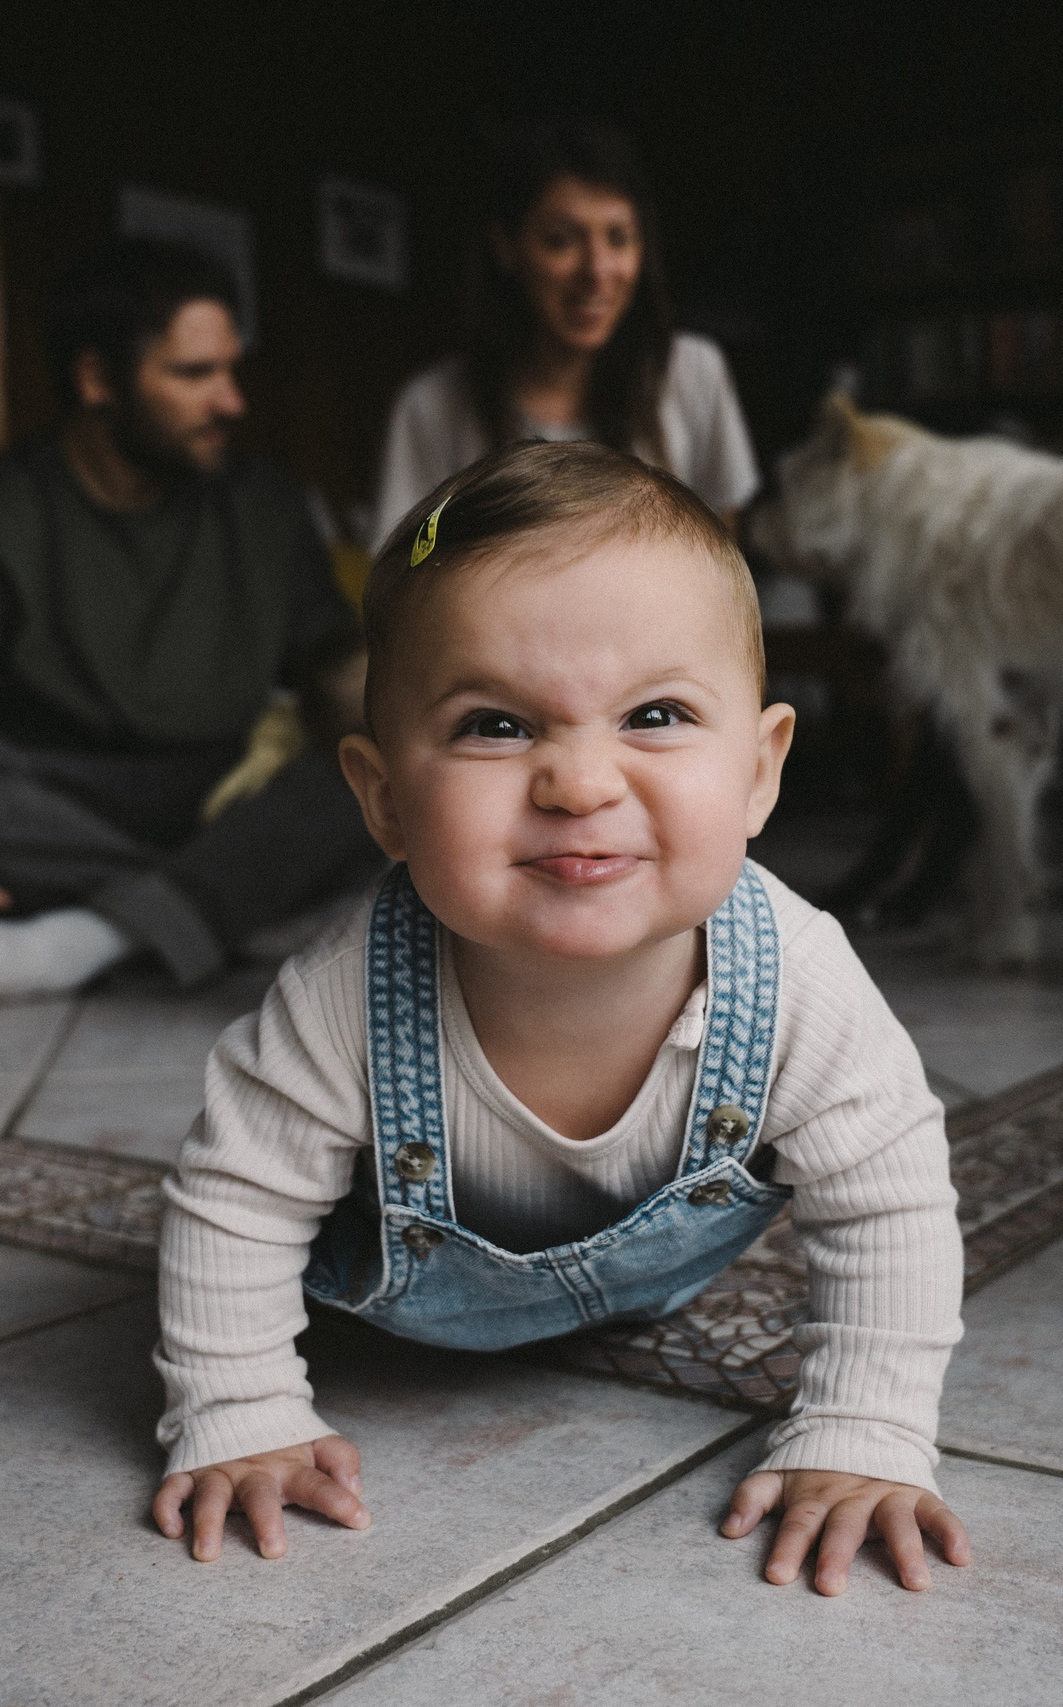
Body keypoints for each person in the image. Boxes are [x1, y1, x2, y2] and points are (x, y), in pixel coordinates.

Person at [150, 441, 969, 1597]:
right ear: (384, 799)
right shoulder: (344, 996)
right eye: (495, 725)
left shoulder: (794, 976)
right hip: (397, 1316)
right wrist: (237, 1409)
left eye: (656, 714)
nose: (579, 784)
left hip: (653, 1285)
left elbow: (890, 1198)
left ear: (759, 771)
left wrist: (865, 1429)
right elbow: (232, 1199)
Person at [0, 239, 375, 1011]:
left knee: (372, 772)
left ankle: (83, 942)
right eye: (195, 374)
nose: (232, 402)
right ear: (98, 380)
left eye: (231, 370)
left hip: (229, 788)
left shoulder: (266, 502)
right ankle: (228, 905)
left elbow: (332, 664)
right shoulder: (1, 507)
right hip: (69, 799)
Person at [372, 118, 758, 544]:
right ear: (507, 246)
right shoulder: (433, 406)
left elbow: (723, 548)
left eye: (619, 238)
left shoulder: (693, 372)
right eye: (561, 240)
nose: (597, 271)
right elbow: (402, 566)